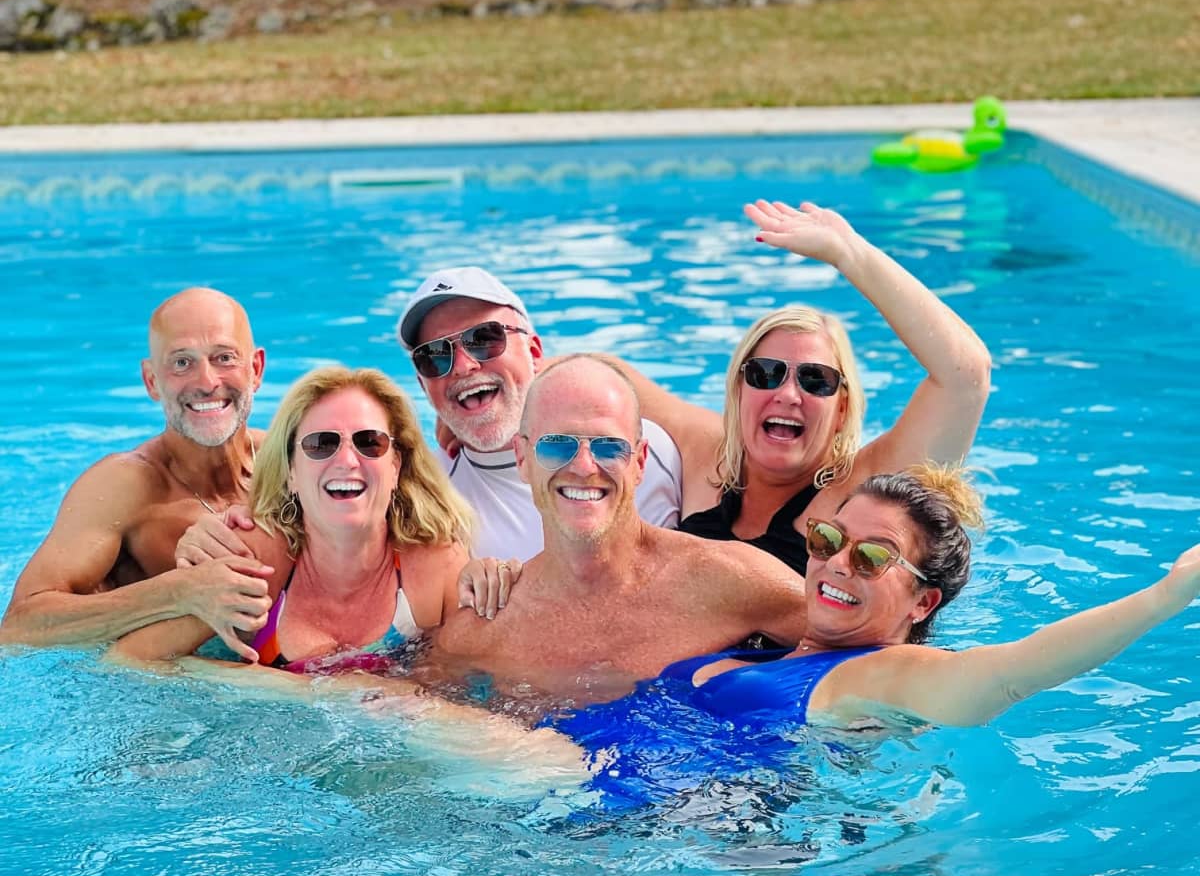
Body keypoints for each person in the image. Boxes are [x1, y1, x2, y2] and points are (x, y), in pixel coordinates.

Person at [645, 465, 1200, 738]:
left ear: (921, 603)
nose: (839, 563)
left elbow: (1013, 672)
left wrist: (1166, 595)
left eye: (873, 557)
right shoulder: (774, 650)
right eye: (830, 540)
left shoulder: (874, 677)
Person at [614, 199, 992, 575]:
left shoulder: (867, 489)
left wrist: (851, 254)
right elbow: (608, 379)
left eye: (816, 380)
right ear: (739, 389)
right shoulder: (705, 454)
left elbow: (966, 376)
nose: (788, 394)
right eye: (766, 373)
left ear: (842, 407)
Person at [425, 355, 809, 703]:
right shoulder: (479, 636)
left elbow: (861, 642)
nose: (584, 467)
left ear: (640, 461)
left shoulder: (725, 581)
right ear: (523, 458)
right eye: (558, 445)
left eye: (609, 447)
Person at [112, 367, 478, 672]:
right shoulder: (255, 563)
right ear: (291, 472)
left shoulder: (435, 568)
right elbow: (129, 660)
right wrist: (307, 692)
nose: (348, 460)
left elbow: (465, 692)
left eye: (369, 442)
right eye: (321, 444)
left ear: (395, 466)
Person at [1, 287, 273, 654]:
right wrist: (180, 591)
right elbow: (20, 627)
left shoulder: (293, 462)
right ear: (151, 382)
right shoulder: (124, 487)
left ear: (255, 370)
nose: (207, 382)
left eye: (224, 357)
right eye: (181, 362)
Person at [397, 265, 685, 559]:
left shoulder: (643, 451)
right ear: (423, 384)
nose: (463, 366)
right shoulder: (424, 498)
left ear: (534, 353)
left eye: (483, 339)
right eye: (434, 356)